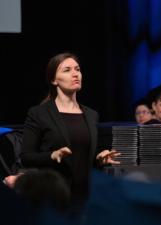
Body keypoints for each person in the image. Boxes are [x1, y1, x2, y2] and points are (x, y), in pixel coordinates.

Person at [20, 53, 120, 206]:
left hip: (86, 196)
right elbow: (26, 157)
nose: (75, 74)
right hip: (54, 196)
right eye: (67, 70)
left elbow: (85, 156)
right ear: (54, 80)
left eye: (77, 69)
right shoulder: (39, 113)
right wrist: (52, 155)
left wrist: (99, 158)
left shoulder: (91, 115)